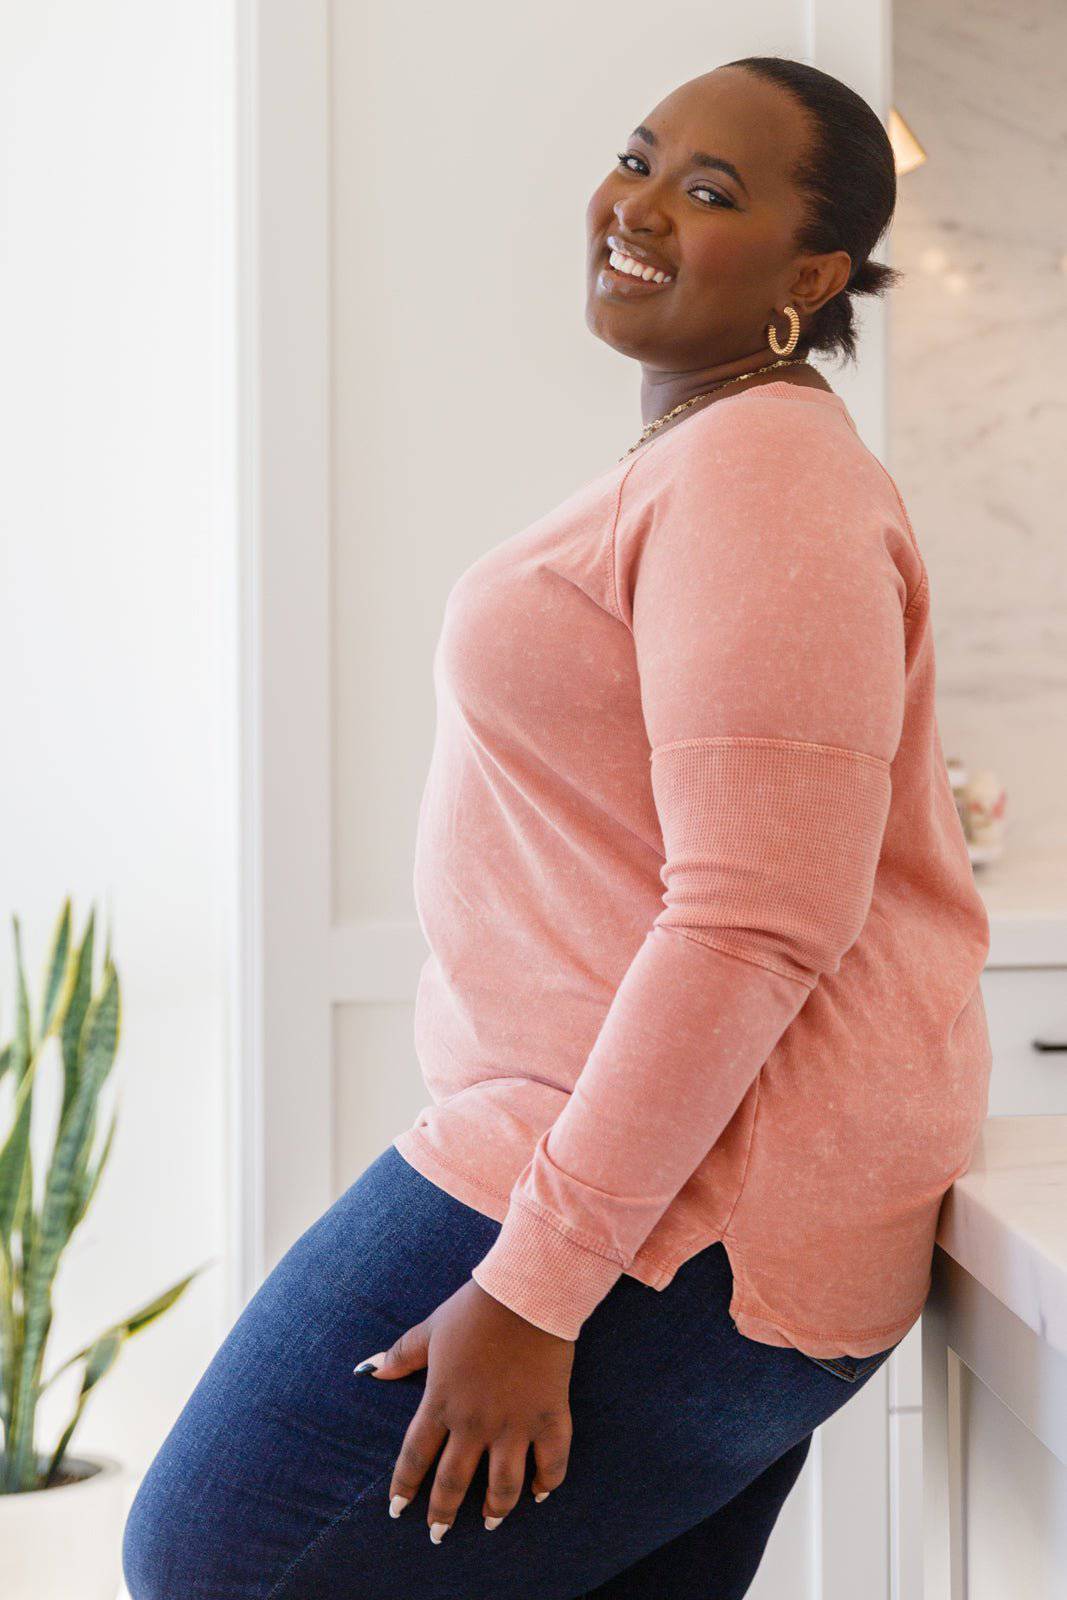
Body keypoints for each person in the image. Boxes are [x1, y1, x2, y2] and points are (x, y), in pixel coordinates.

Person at [122, 54, 992, 1599]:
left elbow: (755, 922)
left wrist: (535, 1288)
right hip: (657, 1180)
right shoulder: (719, 459)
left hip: (681, 1219)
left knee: (212, 1561)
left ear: (812, 275)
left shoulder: (766, 476)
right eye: (638, 159)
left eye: (709, 191)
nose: (639, 206)